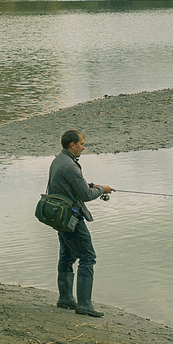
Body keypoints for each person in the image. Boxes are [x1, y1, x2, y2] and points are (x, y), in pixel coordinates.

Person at [47, 130, 115, 316]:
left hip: (60, 218)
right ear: (72, 145)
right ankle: (84, 305)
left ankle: (66, 299)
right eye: (82, 144)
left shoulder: (58, 160)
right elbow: (85, 195)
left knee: (67, 257)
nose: (84, 147)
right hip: (71, 219)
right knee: (87, 258)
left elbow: (72, 187)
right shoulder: (70, 166)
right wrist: (102, 189)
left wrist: (90, 186)